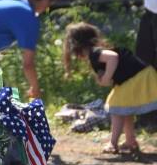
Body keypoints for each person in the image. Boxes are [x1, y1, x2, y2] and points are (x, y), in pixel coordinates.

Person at [63, 22, 155, 154]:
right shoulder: (95, 54)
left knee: (115, 107)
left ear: (75, 45)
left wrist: (106, 77)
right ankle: (130, 141)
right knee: (125, 109)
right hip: (138, 75)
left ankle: (113, 144)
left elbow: (113, 58)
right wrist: (103, 77)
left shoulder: (95, 52)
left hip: (136, 77)